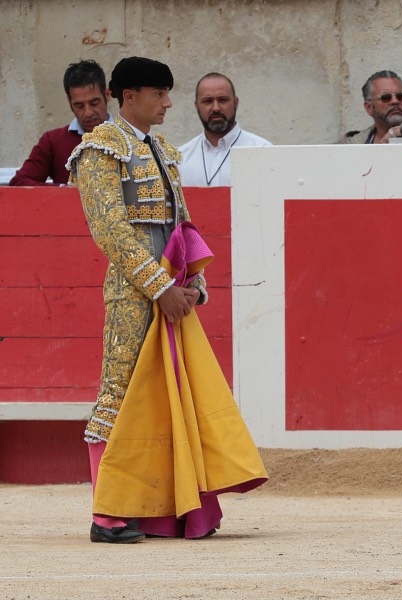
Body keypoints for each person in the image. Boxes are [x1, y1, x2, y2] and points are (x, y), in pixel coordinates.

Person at [68, 56, 267, 544]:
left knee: (170, 398)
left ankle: (164, 511)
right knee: (119, 395)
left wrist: (193, 280)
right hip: (135, 296)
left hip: (173, 291)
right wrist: (159, 287)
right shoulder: (99, 149)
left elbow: (183, 225)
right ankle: (108, 515)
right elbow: (109, 230)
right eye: (159, 94)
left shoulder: (163, 150)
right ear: (129, 96)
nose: (169, 103)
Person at [10, 60, 111, 186]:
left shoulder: (129, 137)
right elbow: (19, 183)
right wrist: (64, 191)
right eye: (79, 106)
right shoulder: (52, 142)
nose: (88, 112)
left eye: (94, 103)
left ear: (107, 95)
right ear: (69, 103)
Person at [179, 73, 272, 186]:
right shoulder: (181, 159)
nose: (216, 108)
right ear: (196, 106)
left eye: (223, 100)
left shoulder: (264, 152)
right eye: (208, 101)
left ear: (236, 103)